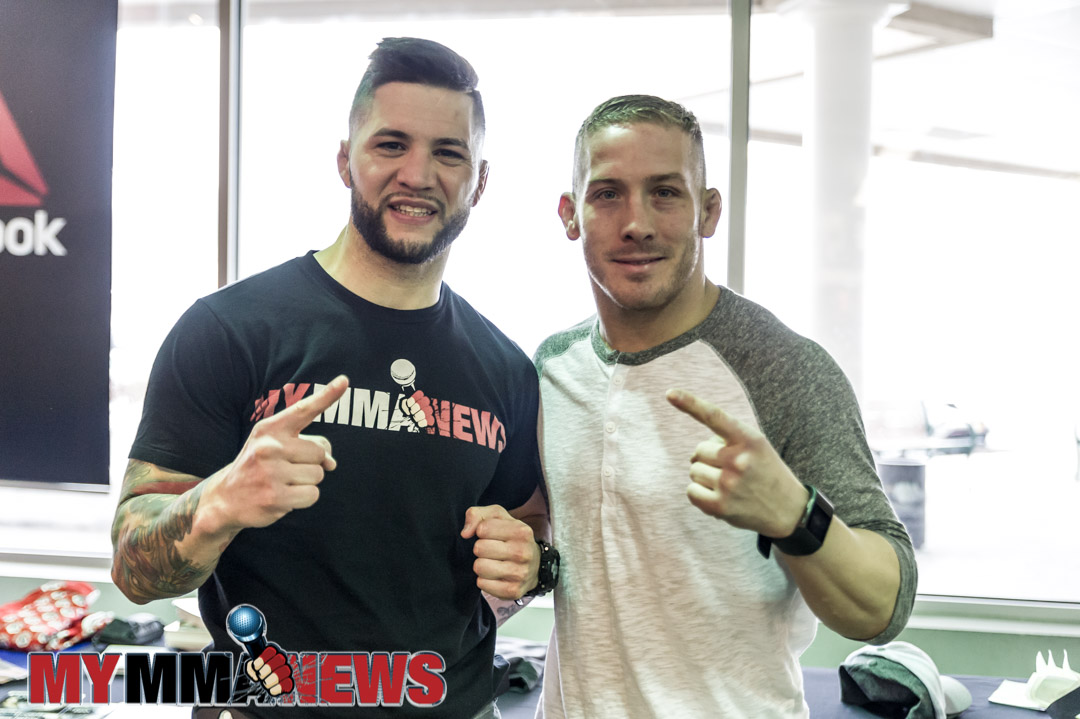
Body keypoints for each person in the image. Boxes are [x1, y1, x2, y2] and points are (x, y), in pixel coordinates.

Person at [110, 37, 556, 719]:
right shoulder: (230, 330)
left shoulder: (504, 368)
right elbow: (134, 566)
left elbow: (529, 528)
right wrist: (220, 501)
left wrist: (531, 566)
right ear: (345, 161)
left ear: (481, 180)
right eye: (390, 145)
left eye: (448, 152)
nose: (418, 173)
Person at [533, 95, 917, 718]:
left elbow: (884, 608)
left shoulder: (782, 368)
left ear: (708, 212)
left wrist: (795, 516)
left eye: (665, 192)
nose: (637, 223)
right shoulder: (550, 368)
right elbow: (550, 545)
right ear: (570, 214)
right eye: (607, 194)